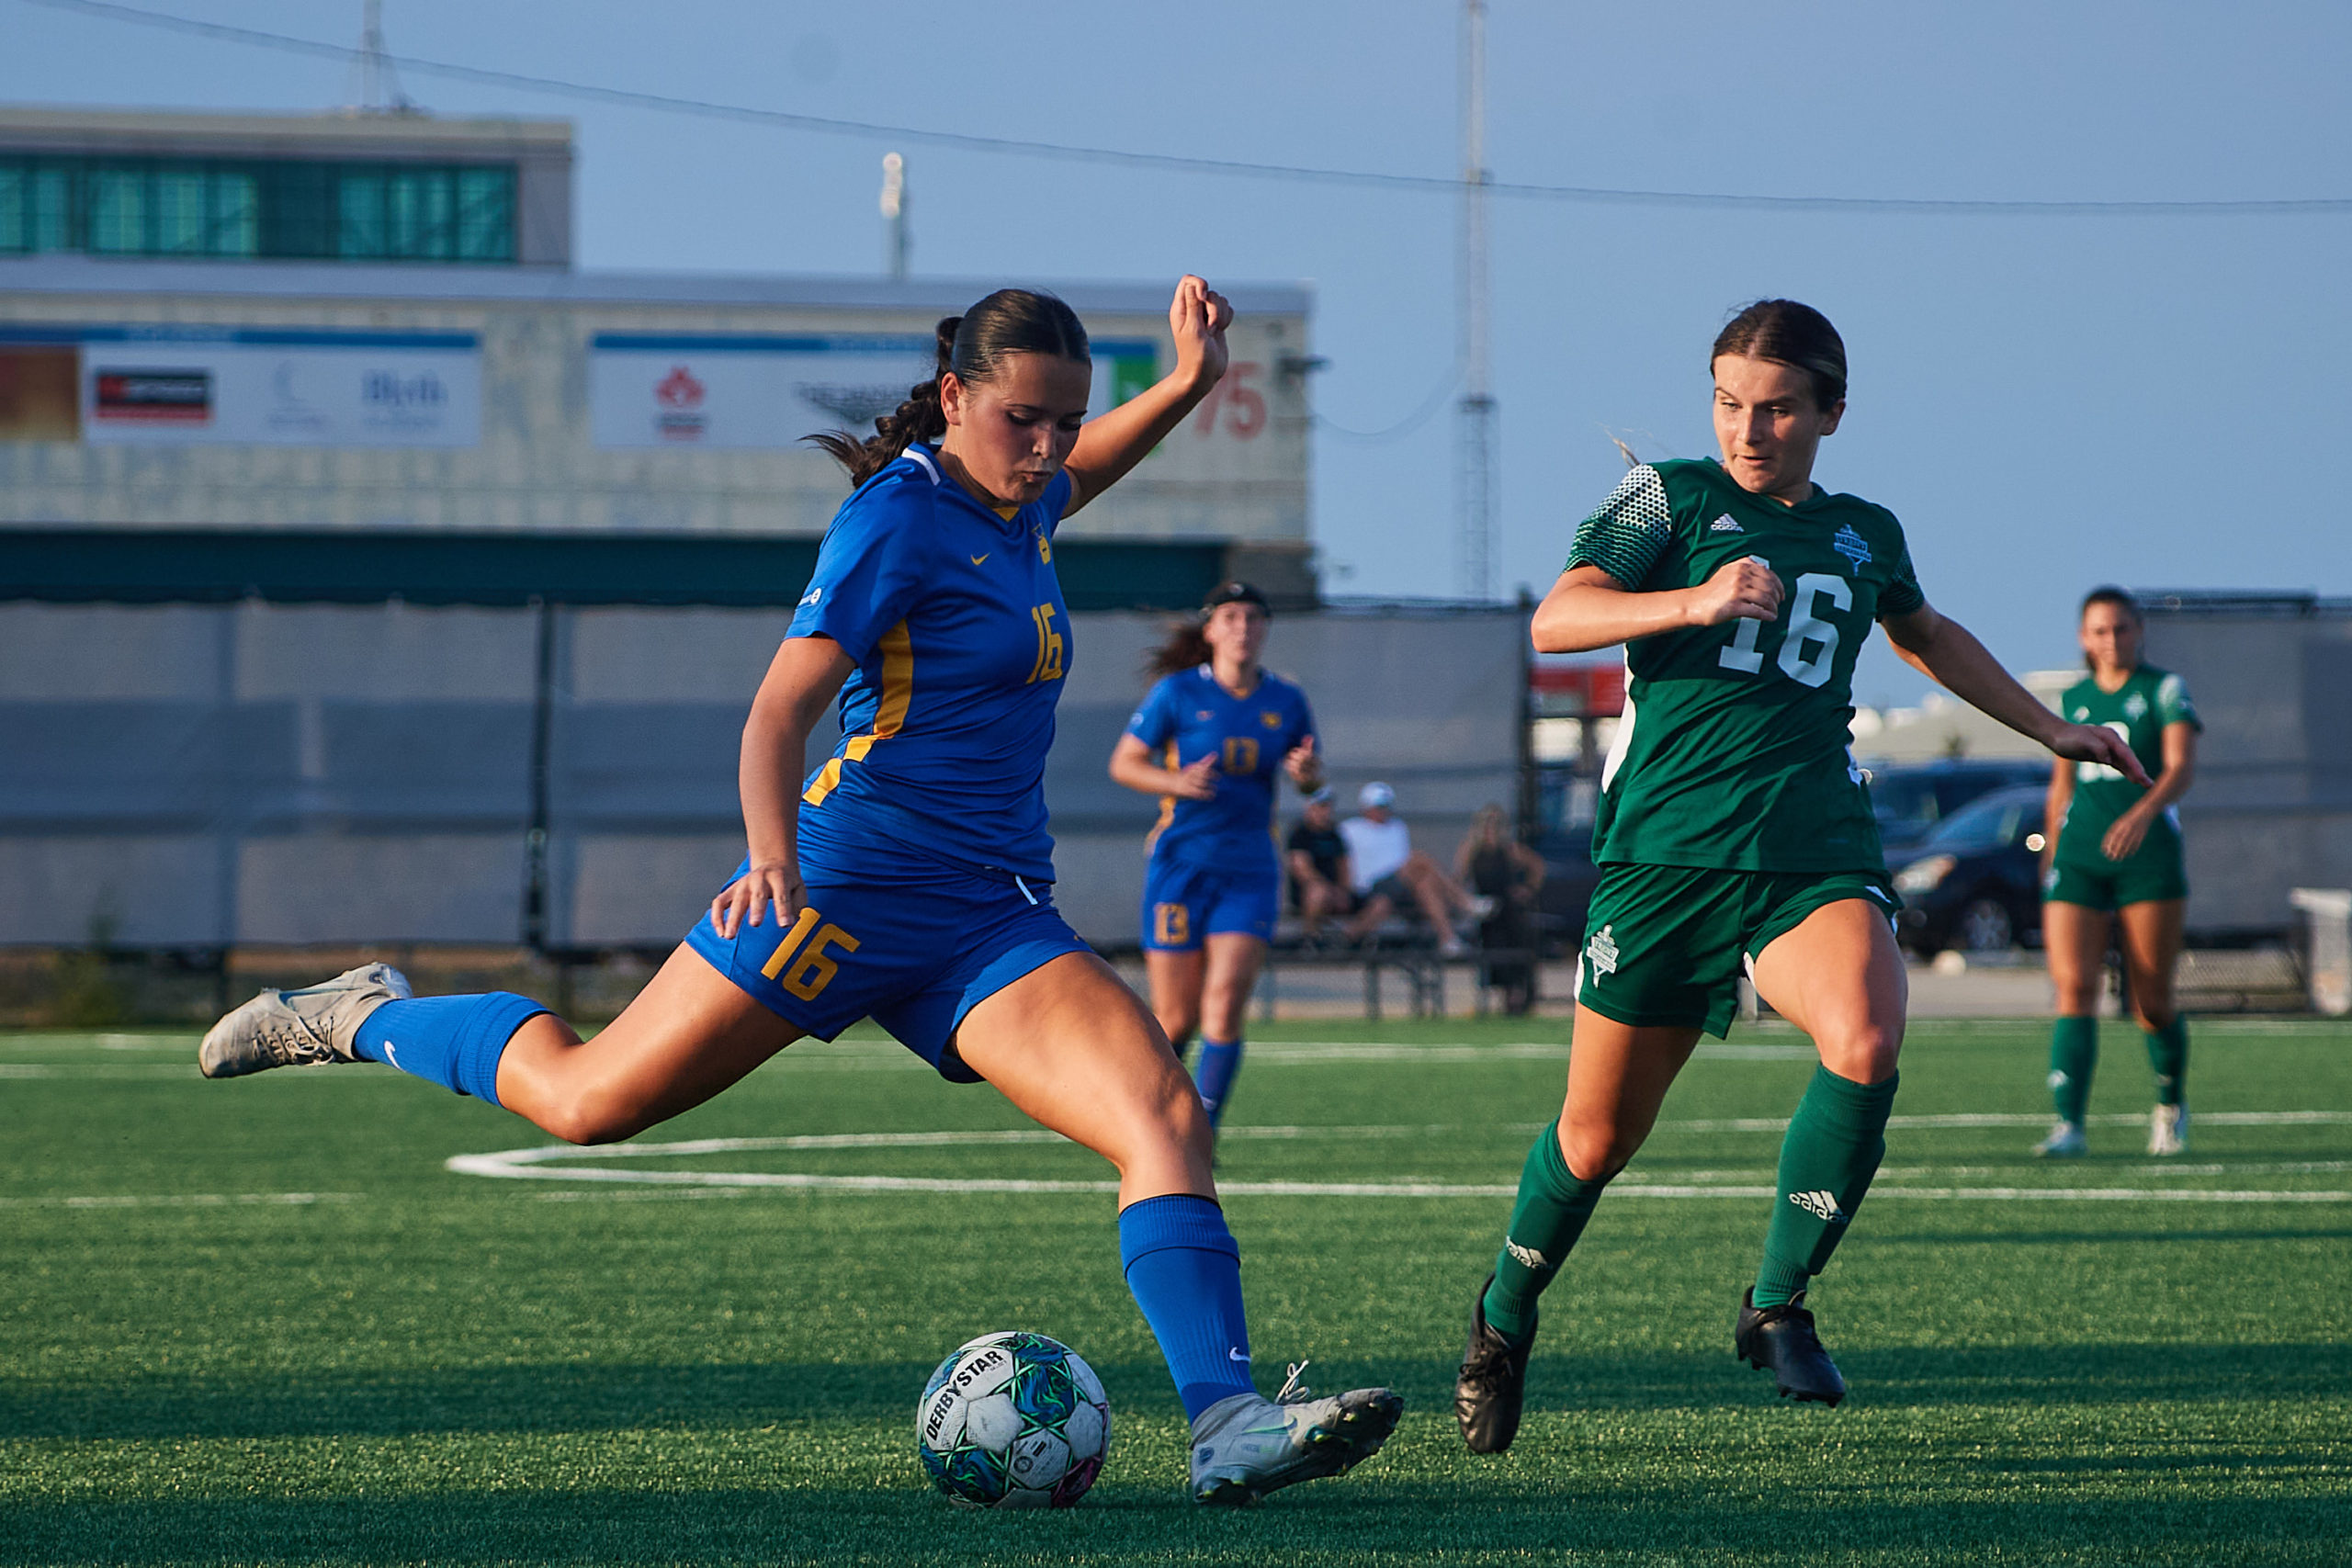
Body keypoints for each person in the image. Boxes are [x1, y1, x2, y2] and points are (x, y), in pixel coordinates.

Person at [196, 278, 1401, 1506]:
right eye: (1024, 419)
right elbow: (779, 708)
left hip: (986, 914)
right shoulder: (898, 519)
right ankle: (357, 1013)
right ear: (956, 399)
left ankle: (1229, 1422)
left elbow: (1089, 458)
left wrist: (1188, 385)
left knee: (1166, 1117)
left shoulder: (1024, 500)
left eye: (1063, 422)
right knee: (586, 1099)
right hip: (842, 884)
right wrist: (772, 851)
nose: (1046, 448)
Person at [1452, 299, 2146, 1452]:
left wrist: (2045, 727)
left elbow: (1924, 635)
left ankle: (1775, 1303)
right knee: (1593, 1142)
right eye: (1729, 403)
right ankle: (1501, 1318)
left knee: (1868, 1042)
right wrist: (1695, 597)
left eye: (1776, 408)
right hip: (1663, 856)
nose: (1749, 429)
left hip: (1810, 846)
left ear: (1830, 412)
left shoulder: (1864, 530)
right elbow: (1557, 618)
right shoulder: (1665, 497)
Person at [1109, 581, 1322, 1134]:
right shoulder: (1179, 693)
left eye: (1253, 617)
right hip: (1181, 866)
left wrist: (1307, 776)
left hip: (1249, 868)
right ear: (1210, 630)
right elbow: (1125, 765)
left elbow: (1310, 776)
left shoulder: (1286, 698)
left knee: (1225, 1005)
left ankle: (1200, 1132)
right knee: (1175, 1018)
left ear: (1265, 629)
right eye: (1230, 617)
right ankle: (1149, 1124)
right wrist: (1175, 781)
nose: (1243, 627)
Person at [2034, 586, 2201, 1158]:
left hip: (2146, 855)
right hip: (2081, 856)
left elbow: (2180, 768)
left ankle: (2170, 1105)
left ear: (2139, 631)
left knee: (2150, 999)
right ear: (2084, 637)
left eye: (2121, 628)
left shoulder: (2163, 689)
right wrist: (2051, 854)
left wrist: (2142, 813)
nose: (2112, 640)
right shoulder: (2074, 698)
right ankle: (2068, 1125)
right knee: (2074, 987)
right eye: (2100, 630)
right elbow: (2061, 785)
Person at [1339, 783, 1481, 957]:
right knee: (1419, 860)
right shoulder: (1350, 829)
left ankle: (1448, 940)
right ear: (1366, 807)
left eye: (1385, 806)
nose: (1383, 811)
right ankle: (1465, 902)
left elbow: (1401, 860)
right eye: (1378, 806)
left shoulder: (1397, 828)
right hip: (1372, 886)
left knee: (1426, 884)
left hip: (1400, 887)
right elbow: (1343, 862)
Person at [1455, 804, 1546, 1015]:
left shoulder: (1510, 849)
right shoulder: (1471, 849)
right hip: (1486, 912)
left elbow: (1537, 865)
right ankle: (1499, 994)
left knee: (1516, 942)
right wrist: (1467, 901)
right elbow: (1458, 878)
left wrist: (1528, 889)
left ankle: (1516, 995)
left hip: (1509, 909)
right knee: (1493, 947)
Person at [1284, 787, 1355, 939]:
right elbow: (1302, 869)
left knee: (1377, 902)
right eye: (1319, 807)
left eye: (1326, 807)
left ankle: (1349, 939)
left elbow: (1343, 865)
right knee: (1317, 892)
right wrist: (1328, 889)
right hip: (1307, 893)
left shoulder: (1335, 834)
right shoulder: (1299, 834)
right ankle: (1310, 936)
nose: (1324, 812)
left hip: (1334, 891)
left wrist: (1342, 890)